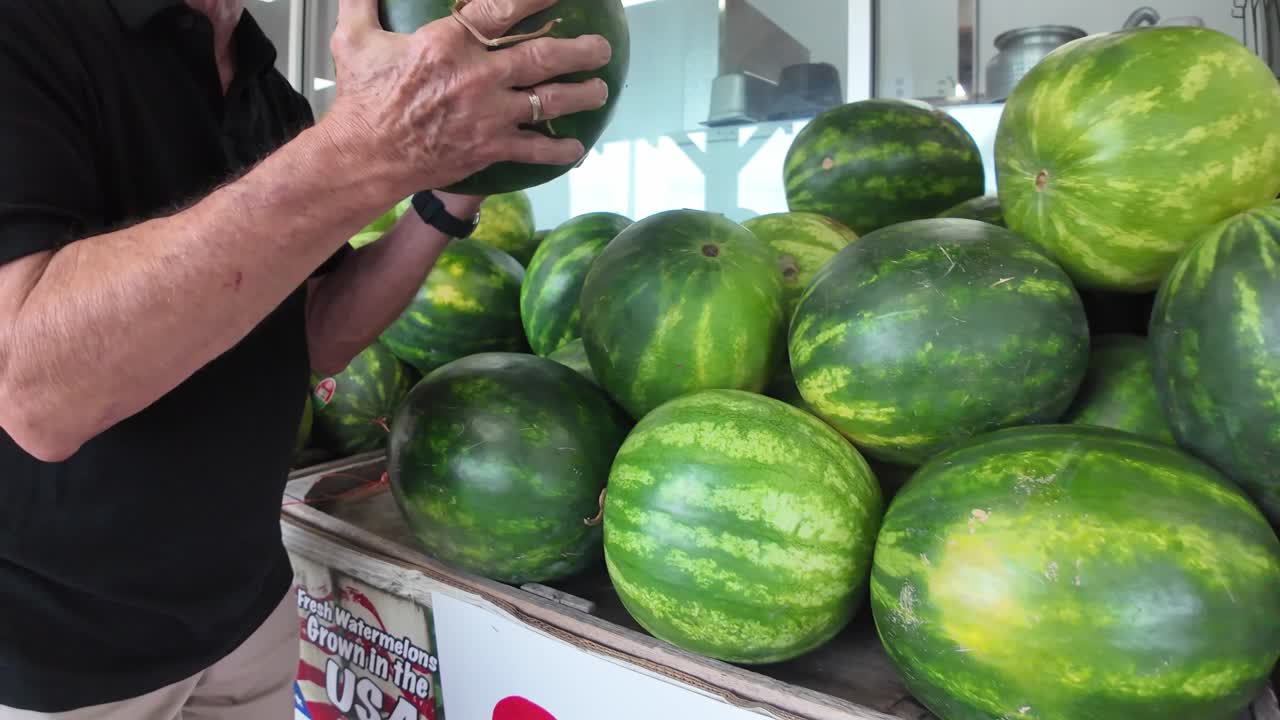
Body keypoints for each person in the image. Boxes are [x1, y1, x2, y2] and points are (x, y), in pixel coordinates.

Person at [0, 0, 611, 716]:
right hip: (55, 658)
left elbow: (315, 332)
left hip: (246, 616)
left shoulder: (268, 92)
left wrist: (453, 188)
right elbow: (38, 394)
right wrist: (367, 145)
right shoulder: (26, 31)